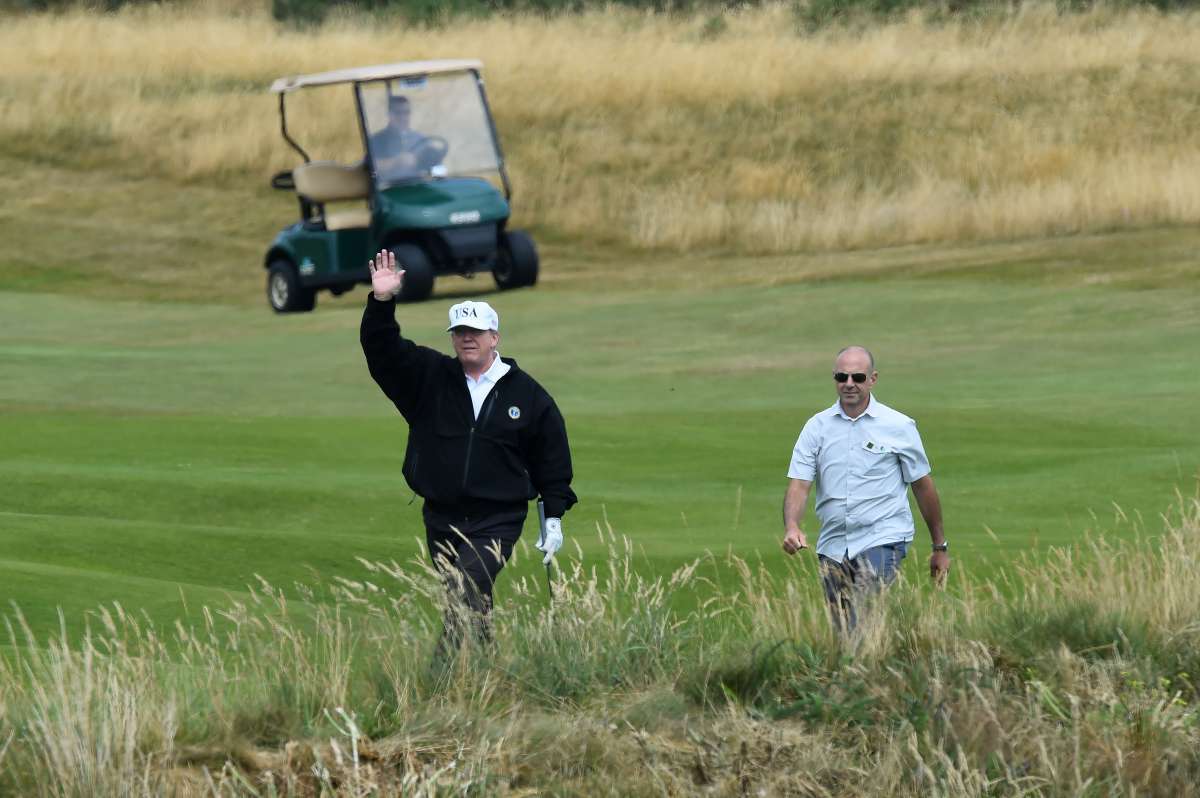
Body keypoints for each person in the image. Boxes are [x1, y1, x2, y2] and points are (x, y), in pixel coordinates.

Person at [360, 248, 577, 653]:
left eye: (475, 332)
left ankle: (443, 679)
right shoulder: (430, 377)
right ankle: (483, 673)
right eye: (459, 332)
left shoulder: (527, 395)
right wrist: (382, 302)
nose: (467, 338)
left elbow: (552, 458)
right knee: (468, 601)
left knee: (465, 586)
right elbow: (382, 353)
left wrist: (554, 517)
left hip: (497, 517)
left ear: (494, 338)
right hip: (441, 516)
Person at [781, 346, 949, 633]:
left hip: (883, 536)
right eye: (841, 376)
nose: (849, 384)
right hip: (833, 544)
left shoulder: (898, 425)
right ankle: (866, 673)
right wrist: (793, 525)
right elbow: (799, 484)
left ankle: (868, 666)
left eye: (857, 377)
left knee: (863, 613)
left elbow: (922, 486)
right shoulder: (816, 427)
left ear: (872, 379)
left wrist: (939, 546)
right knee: (843, 630)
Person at [368, 95, 446, 179]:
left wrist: (438, 171)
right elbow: (371, 169)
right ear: (389, 114)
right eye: (398, 113)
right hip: (389, 188)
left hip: (418, 187)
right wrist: (396, 162)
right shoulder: (377, 140)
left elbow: (438, 170)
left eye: (406, 112)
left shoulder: (420, 139)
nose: (403, 117)